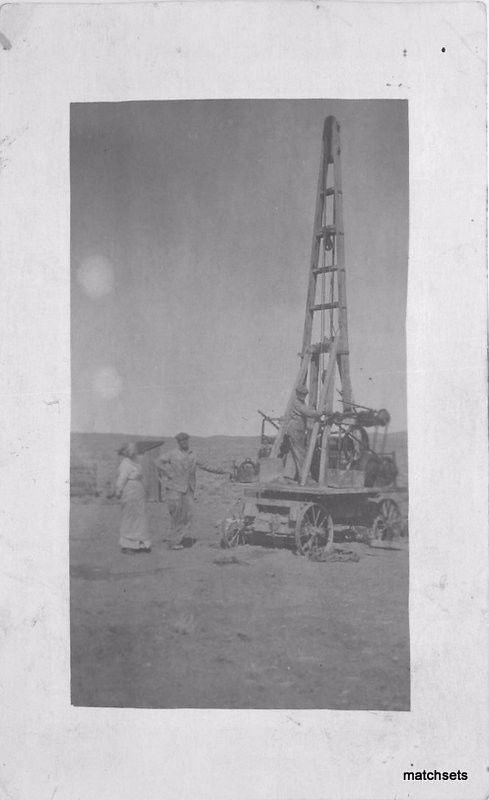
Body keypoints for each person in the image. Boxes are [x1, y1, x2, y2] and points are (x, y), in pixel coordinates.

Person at [155, 432, 225, 549]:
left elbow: (206, 466)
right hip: (174, 488)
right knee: (176, 515)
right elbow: (157, 462)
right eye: (182, 441)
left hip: (189, 489)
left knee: (188, 515)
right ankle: (174, 542)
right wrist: (167, 472)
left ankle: (177, 539)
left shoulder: (193, 454)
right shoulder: (172, 454)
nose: (184, 443)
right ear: (178, 442)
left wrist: (222, 471)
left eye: (186, 440)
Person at [115, 442, 151, 554]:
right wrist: (119, 490)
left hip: (139, 492)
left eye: (134, 450)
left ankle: (141, 543)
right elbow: (121, 479)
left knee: (140, 515)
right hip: (129, 491)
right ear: (126, 452)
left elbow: (142, 476)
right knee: (130, 516)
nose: (133, 452)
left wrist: (145, 489)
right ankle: (128, 545)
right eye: (131, 450)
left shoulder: (137, 463)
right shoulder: (125, 464)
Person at [285, 385, 322, 481]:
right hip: (295, 430)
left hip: (299, 430)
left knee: (294, 452)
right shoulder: (297, 402)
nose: (303, 396)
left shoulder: (301, 402)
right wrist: (319, 413)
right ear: (297, 393)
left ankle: (289, 475)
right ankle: (305, 477)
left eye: (305, 394)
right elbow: (307, 412)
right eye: (302, 394)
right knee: (300, 453)